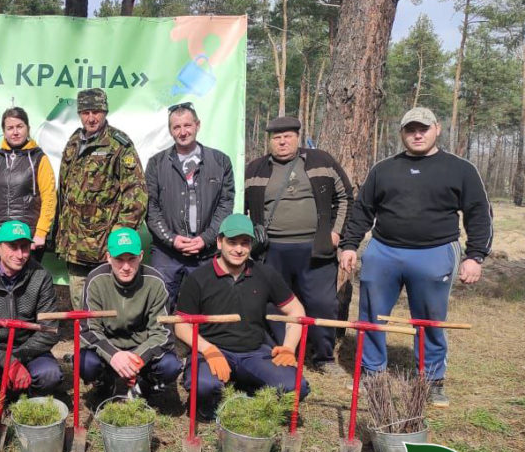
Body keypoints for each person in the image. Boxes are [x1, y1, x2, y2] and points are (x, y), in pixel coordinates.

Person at [340, 107, 492, 407]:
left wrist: (475, 256)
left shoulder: (459, 169)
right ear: (402, 134)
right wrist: (349, 245)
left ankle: (432, 380)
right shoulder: (383, 169)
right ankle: (371, 373)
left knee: (430, 319)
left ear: (437, 129)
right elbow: (362, 210)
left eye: (423, 128)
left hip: (435, 251)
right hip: (384, 250)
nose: (417, 134)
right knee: (371, 315)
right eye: (411, 129)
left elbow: (479, 213)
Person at [244, 116, 353, 374]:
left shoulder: (321, 161)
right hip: (272, 250)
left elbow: (346, 197)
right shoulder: (255, 168)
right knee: (275, 303)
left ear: (298, 136)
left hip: (315, 248)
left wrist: (336, 233)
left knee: (322, 303)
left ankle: (323, 357)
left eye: (287, 136)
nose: (282, 141)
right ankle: (284, 352)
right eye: (276, 137)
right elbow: (243, 207)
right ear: (269, 140)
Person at [175, 214, 310, 420]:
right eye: (232, 242)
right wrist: (208, 349)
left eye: (245, 243)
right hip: (212, 351)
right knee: (202, 386)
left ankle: (248, 391)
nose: (238, 249)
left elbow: (296, 311)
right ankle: (213, 397)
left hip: (254, 351)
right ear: (219, 242)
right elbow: (181, 325)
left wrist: (289, 347)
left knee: (296, 387)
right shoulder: (198, 278)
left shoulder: (265, 274)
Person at [55, 88, 147, 310]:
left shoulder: (119, 145)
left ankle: (107, 345)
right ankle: (83, 344)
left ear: (105, 111)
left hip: (104, 248)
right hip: (75, 246)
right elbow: (65, 191)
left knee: (106, 306)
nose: (91, 118)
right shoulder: (74, 142)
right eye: (85, 112)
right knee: (79, 305)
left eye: (96, 111)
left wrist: (118, 236)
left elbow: (136, 195)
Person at [145, 102, 234, 312]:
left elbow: (225, 204)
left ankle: (202, 346)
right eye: (176, 127)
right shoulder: (156, 164)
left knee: (207, 306)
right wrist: (171, 239)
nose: (183, 132)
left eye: (187, 125)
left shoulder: (220, 161)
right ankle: (164, 345)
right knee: (160, 308)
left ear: (197, 125)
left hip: (206, 251)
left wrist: (206, 238)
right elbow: (150, 208)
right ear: (170, 130)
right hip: (167, 252)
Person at [79, 228, 182, 399]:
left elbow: (162, 333)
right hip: (108, 348)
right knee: (85, 363)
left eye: (132, 259)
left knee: (171, 366)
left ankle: (144, 387)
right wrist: (114, 355)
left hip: (142, 347)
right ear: (108, 257)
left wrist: (138, 357)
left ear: (141, 256)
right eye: (119, 259)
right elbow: (89, 329)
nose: (126, 267)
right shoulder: (95, 280)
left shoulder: (156, 282)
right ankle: (105, 383)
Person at [0, 220, 61, 394]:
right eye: (13, 247)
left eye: (24, 247)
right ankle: (0, 395)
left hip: (28, 346)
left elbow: (48, 329)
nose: (20, 254)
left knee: (50, 374)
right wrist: (8, 362)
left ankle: (27, 403)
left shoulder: (41, 277)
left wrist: (17, 360)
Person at [0, 107, 57, 263]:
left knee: (26, 286)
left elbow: (49, 197)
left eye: (20, 126)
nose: (15, 132)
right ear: (4, 131)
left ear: (28, 128)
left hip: (26, 238)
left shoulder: (39, 158)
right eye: (10, 128)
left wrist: (41, 232)